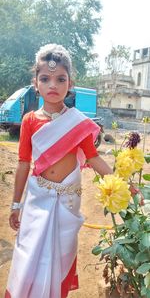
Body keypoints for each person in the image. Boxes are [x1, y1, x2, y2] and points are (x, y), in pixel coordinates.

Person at [5, 43, 112, 298]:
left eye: (60, 79)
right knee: (30, 256)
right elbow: (23, 162)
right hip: (37, 200)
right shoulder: (30, 120)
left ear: (70, 83)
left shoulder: (76, 122)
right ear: (36, 83)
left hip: (67, 202)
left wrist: (118, 181)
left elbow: (93, 158)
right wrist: (16, 204)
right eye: (45, 78)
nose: (53, 84)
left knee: (60, 259)